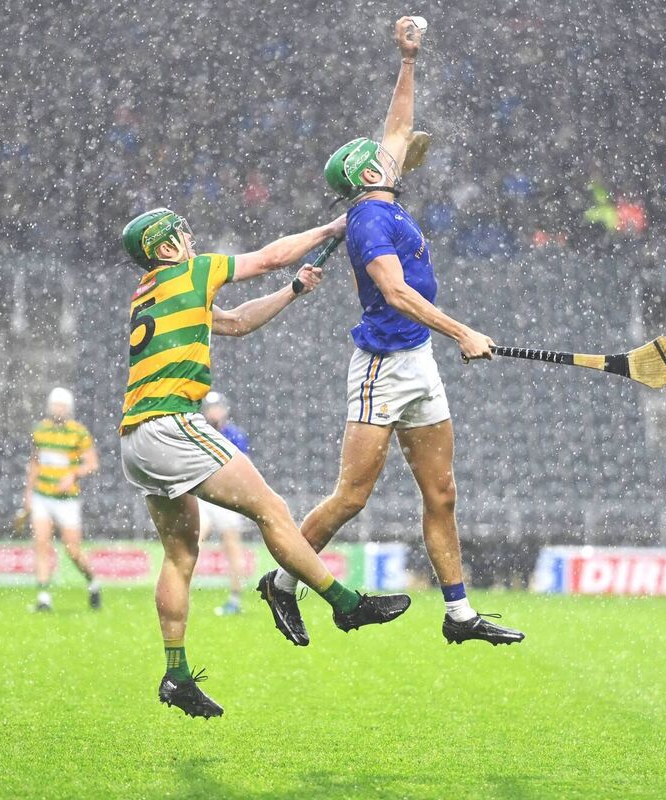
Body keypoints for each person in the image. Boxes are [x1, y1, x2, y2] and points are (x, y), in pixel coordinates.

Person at [257, 18, 524, 648]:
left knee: (442, 491)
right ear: (365, 175)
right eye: (378, 158)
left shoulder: (381, 196)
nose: (391, 154)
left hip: (418, 362)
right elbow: (398, 294)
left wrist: (408, 58)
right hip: (381, 366)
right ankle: (282, 581)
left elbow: (399, 127)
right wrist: (463, 331)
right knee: (351, 497)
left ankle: (460, 616)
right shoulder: (369, 222)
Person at [118, 207, 411, 720]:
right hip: (173, 423)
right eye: (182, 234)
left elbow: (235, 322)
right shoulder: (189, 271)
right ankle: (346, 605)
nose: (191, 237)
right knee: (271, 508)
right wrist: (330, 227)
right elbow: (267, 258)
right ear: (166, 249)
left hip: (136, 438)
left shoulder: (150, 294)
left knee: (182, 554)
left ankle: (176, 673)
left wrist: (293, 290)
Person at [23, 387, 100, 612]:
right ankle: (44, 598)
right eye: (55, 405)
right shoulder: (40, 431)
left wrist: (73, 474)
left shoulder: (79, 433)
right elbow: (35, 463)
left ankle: (93, 583)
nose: (58, 409)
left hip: (67, 500)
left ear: (69, 408)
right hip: (42, 496)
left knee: (72, 550)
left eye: (62, 405)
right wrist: (28, 493)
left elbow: (92, 464)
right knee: (41, 544)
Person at [197, 391, 252, 616]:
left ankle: (235, 599)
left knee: (232, 548)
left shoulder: (234, 436)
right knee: (193, 540)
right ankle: (182, 594)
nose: (214, 412)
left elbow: (243, 469)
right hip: (204, 497)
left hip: (228, 500)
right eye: (210, 408)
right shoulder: (199, 434)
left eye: (217, 407)